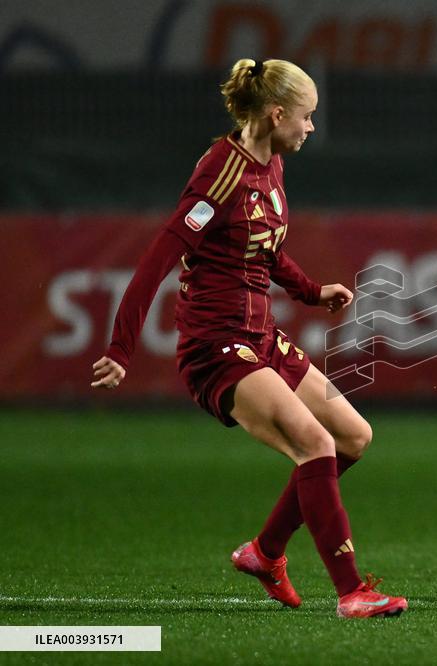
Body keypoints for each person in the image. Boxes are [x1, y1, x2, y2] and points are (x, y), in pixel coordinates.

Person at [91, 58, 407, 618]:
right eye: (307, 116)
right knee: (316, 444)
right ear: (277, 114)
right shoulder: (221, 172)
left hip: (261, 337)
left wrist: (311, 291)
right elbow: (158, 258)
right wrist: (121, 347)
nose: (311, 127)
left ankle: (265, 552)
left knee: (354, 436)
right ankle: (351, 592)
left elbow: (267, 249)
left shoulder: (272, 162)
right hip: (217, 346)